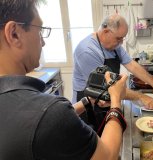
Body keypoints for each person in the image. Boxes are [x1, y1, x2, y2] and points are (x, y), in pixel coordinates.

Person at [0, 1, 128, 160]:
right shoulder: (49, 112)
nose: (43, 42)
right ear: (14, 34)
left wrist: (87, 101)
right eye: (40, 31)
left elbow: (43, 124)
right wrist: (116, 101)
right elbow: (107, 155)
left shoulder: (37, 111)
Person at [72, 13, 153, 133]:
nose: (121, 42)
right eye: (119, 38)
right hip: (88, 108)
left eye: (123, 38)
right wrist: (141, 96)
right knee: (94, 145)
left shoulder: (114, 45)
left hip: (106, 102)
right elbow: (109, 88)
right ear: (106, 31)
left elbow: (132, 65)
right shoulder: (87, 51)